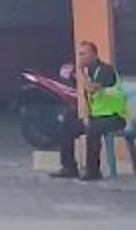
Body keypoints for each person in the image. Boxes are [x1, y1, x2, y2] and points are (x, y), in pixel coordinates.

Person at [55, 43, 129, 180]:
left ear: (94, 55)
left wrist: (80, 72)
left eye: (84, 54)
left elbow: (92, 89)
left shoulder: (105, 70)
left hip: (115, 117)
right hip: (97, 116)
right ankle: (69, 167)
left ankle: (93, 171)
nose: (80, 57)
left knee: (93, 129)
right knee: (67, 125)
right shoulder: (89, 72)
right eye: (79, 54)